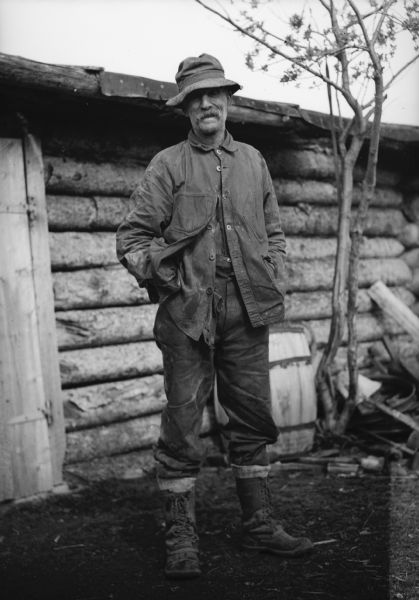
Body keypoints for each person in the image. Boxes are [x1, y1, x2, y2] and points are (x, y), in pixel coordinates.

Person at [116, 53, 313, 579]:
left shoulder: (253, 161)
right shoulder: (168, 165)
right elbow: (133, 239)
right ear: (184, 107)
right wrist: (168, 280)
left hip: (247, 313)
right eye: (195, 97)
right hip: (187, 314)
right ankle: (181, 534)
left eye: (215, 94)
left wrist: (274, 271)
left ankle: (259, 524)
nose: (207, 103)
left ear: (228, 100)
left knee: (252, 420)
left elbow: (274, 234)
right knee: (182, 425)